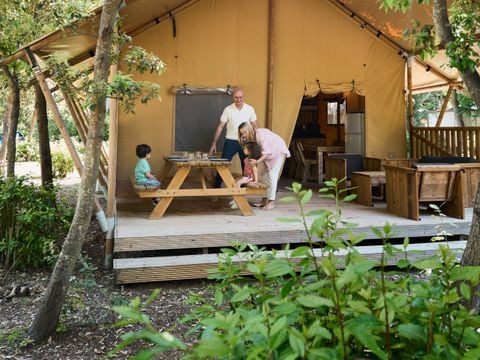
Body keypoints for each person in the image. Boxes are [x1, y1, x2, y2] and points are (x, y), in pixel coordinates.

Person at [209, 88, 258, 189]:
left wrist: (258, 141)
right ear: (233, 97)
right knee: (222, 165)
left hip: (246, 142)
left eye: (240, 97)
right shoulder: (228, 109)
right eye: (236, 97)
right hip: (230, 141)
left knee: (246, 167)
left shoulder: (250, 109)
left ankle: (243, 192)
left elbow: (255, 126)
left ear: (243, 97)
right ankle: (216, 189)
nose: (238, 100)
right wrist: (214, 143)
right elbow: (220, 126)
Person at [238, 122, 290, 210]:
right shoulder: (251, 139)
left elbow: (266, 152)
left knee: (272, 175)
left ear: (249, 130)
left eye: (244, 132)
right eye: (241, 133)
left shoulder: (259, 136)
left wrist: (257, 161)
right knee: (265, 176)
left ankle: (271, 202)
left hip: (278, 150)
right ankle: (264, 200)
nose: (243, 135)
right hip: (270, 153)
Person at [229, 141, 261, 209]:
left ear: (250, 151)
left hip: (250, 177)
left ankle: (239, 200)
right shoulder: (246, 159)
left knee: (238, 182)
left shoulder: (251, 161)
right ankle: (235, 199)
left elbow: (255, 170)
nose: (243, 150)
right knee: (234, 181)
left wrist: (256, 180)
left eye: (245, 149)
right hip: (246, 176)